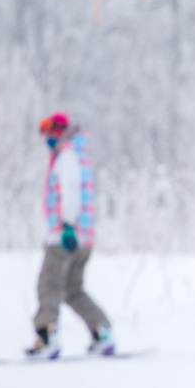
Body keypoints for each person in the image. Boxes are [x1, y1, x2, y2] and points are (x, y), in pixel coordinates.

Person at [27, 112, 116, 359]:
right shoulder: (78, 155)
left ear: (60, 132)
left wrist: (66, 225)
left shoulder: (66, 156)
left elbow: (71, 192)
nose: (46, 138)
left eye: (50, 132)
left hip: (64, 236)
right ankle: (102, 331)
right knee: (72, 289)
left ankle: (46, 337)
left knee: (49, 286)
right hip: (84, 236)